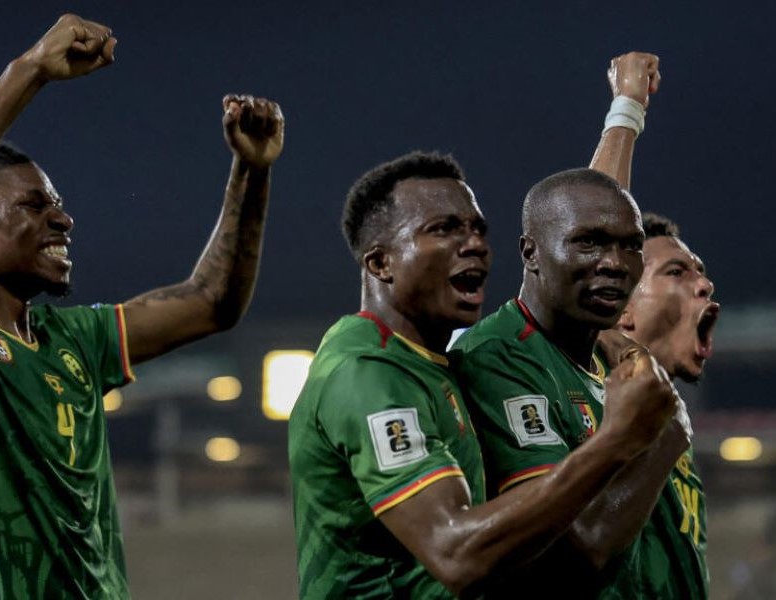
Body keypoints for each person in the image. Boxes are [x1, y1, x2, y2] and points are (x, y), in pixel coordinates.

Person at [0, 14, 283, 599]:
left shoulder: (77, 340)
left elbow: (211, 302)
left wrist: (252, 171)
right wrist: (30, 70)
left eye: (59, 205)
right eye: (35, 205)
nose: (63, 219)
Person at [288, 150, 679, 599]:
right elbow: (455, 553)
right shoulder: (369, 373)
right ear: (381, 263)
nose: (474, 244)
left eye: (477, 229)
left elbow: (582, 212)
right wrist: (620, 441)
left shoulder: (429, 364)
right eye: (444, 229)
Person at [448, 54, 696, 599]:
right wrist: (664, 436)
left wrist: (627, 110)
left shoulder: (604, 352)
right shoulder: (499, 358)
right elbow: (575, 551)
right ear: (529, 254)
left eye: (632, 247)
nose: (615, 263)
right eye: (589, 244)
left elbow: (597, 205)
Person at [606, 212, 718, 597]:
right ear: (622, 307)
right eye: (675, 272)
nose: (705, 284)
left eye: (700, 272)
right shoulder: (590, 403)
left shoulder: (673, 429)